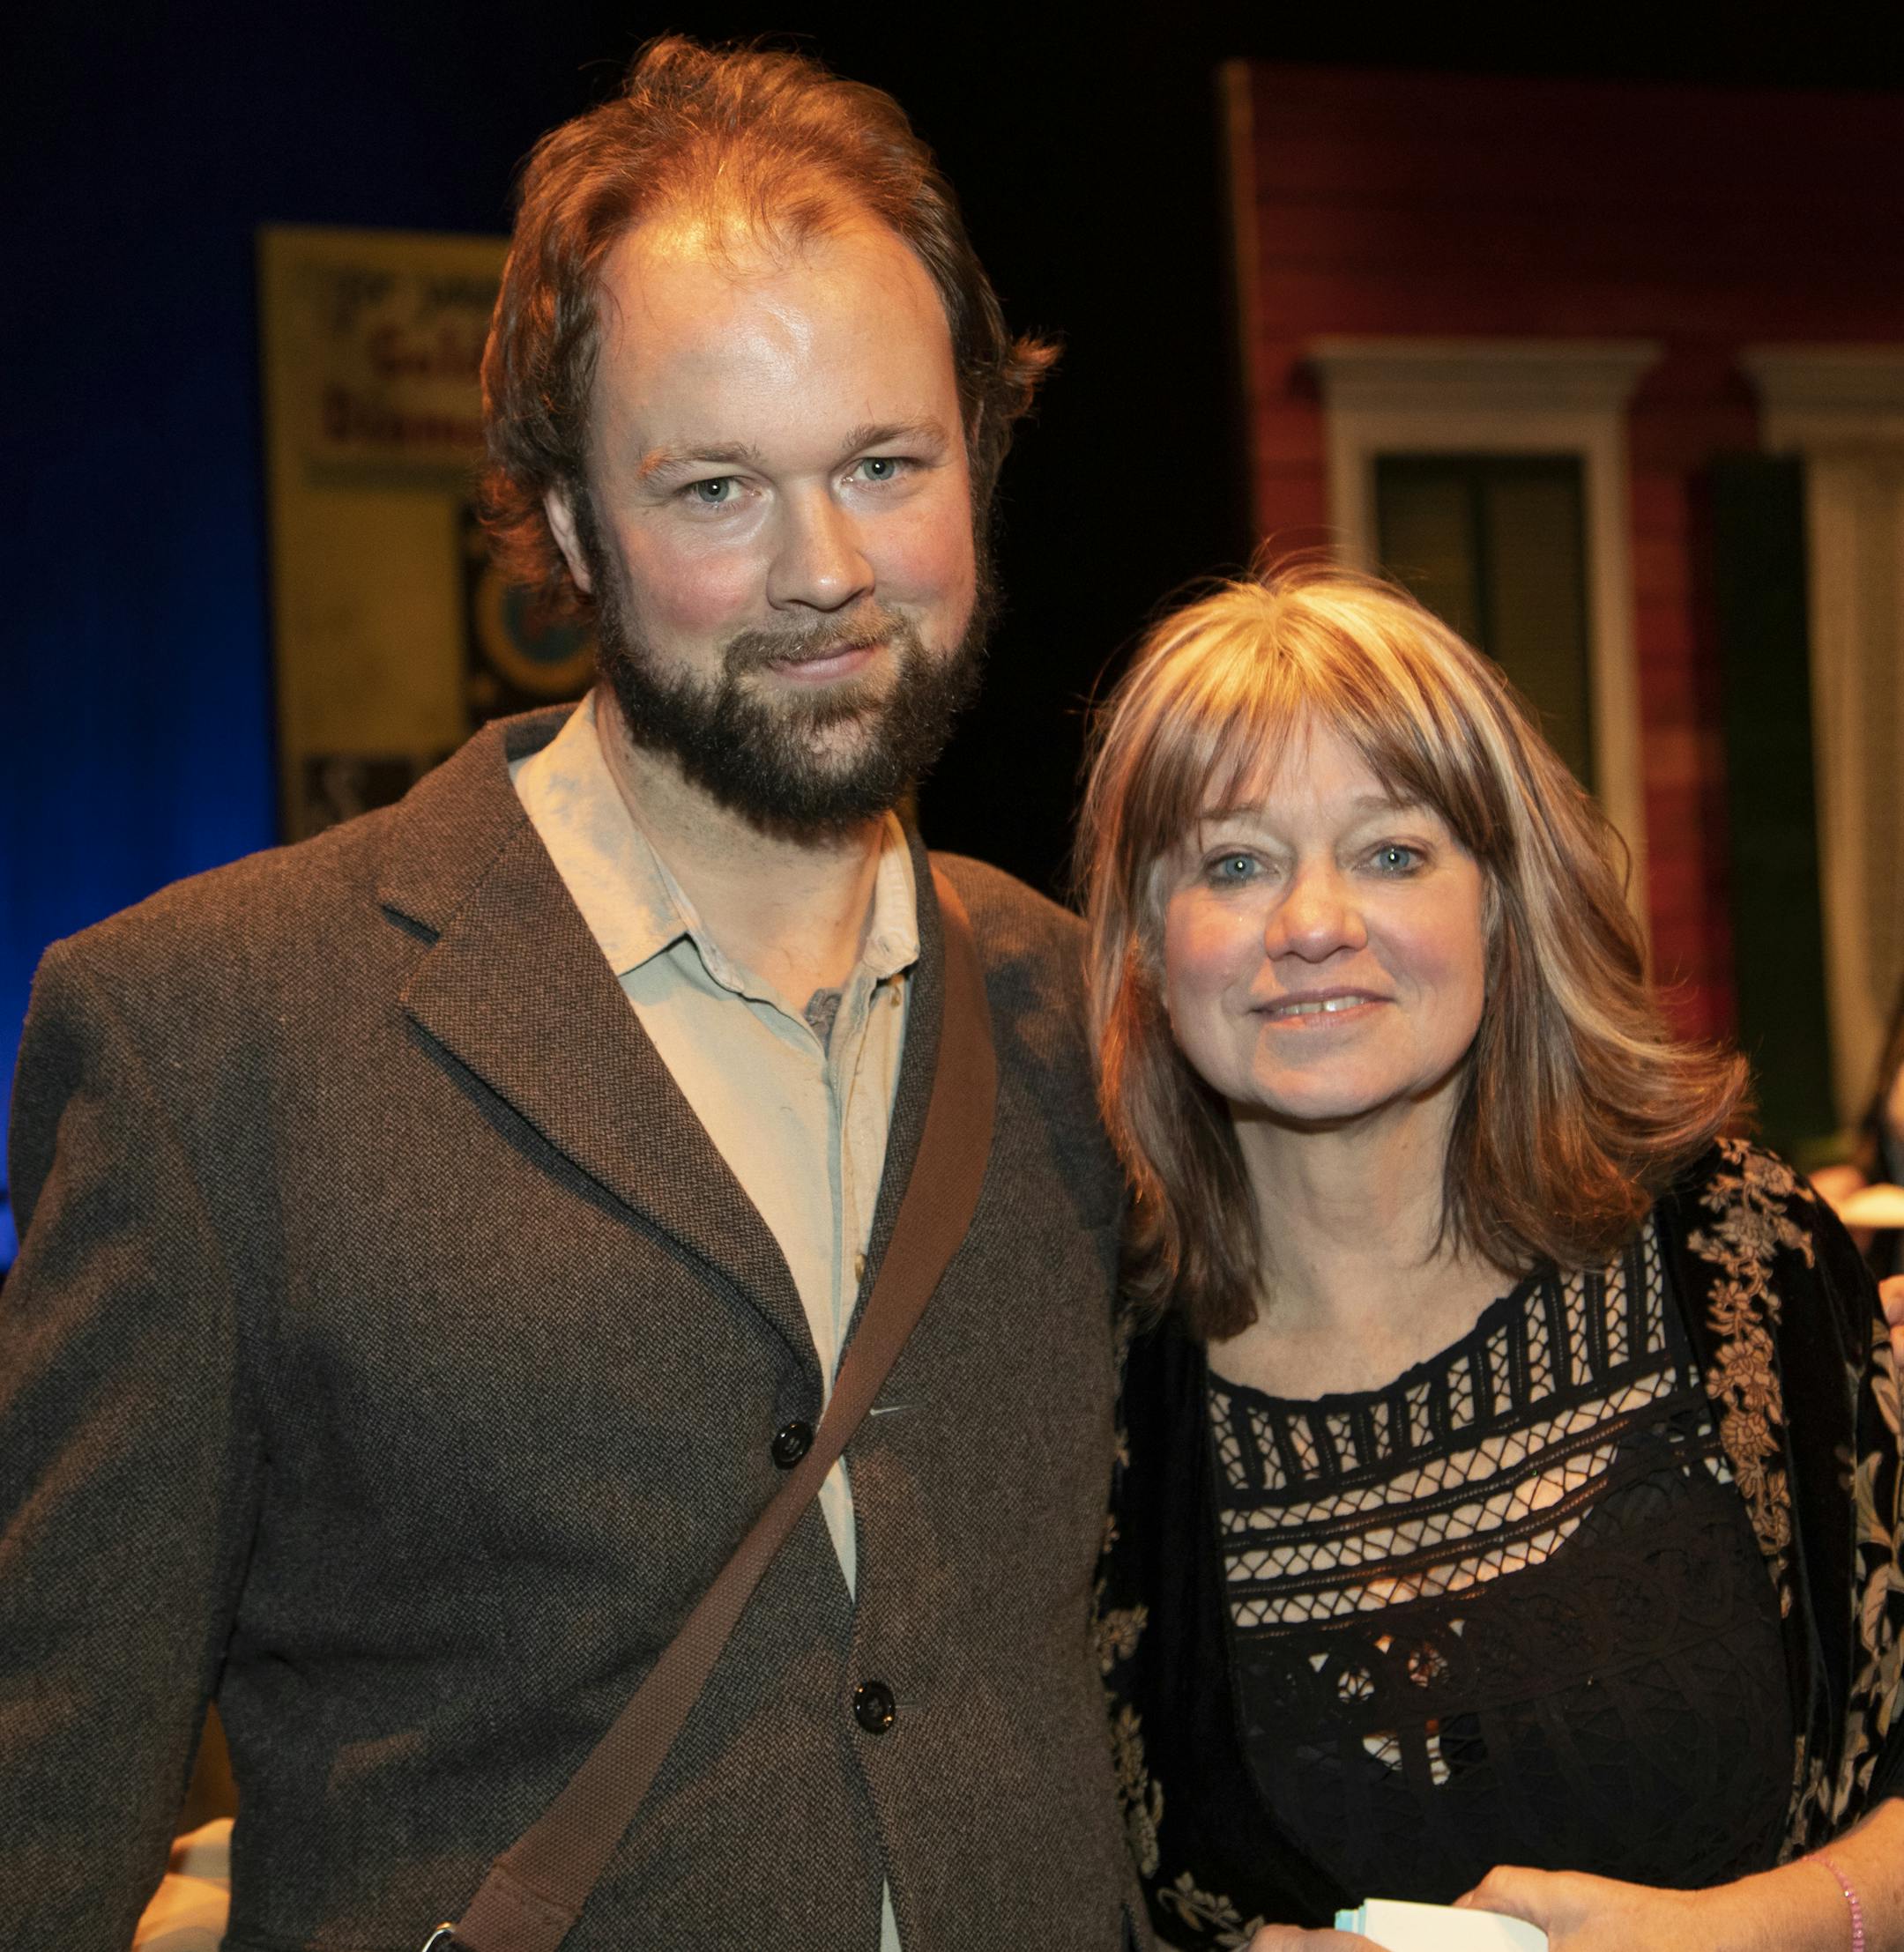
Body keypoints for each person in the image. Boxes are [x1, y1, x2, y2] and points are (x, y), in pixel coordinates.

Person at [0, 38, 1145, 1952]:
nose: (828, 571)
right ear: (562, 523)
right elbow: (39, 1804)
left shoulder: (1079, 1007)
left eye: (886, 464)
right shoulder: (213, 1039)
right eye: (716, 489)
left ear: (982, 458)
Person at [1081, 563, 1904, 1949]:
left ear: (1505, 903)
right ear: (1152, 946)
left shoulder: (1739, 1261)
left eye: (1393, 851)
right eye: (1234, 862)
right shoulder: (1090, 1391)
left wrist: (1753, 1934)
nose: (1312, 922)